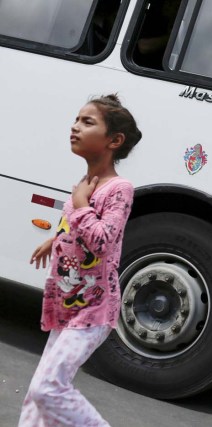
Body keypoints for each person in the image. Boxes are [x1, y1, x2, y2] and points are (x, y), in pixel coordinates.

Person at [19, 94, 142, 426]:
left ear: (114, 140)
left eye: (87, 122)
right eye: (76, 119)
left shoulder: (119, 189)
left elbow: (103, 241)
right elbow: (72, 226)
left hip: (94, 309)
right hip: (67, 303)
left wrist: (82, 203)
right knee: (38, 393)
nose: (74, 127)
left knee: (48, 389)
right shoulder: (86, 185)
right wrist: (54, 239)